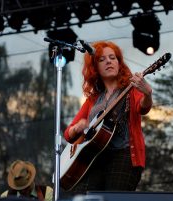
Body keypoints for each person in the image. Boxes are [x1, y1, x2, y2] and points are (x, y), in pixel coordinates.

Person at [63, 41, 153, 194]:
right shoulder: (93, 100)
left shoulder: (131, 89)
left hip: (124, 156)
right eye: (102, 59)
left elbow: (143, 108)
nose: (109, 61)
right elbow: (68, 135)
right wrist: (77, 127)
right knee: (85, 196)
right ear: (95, 68)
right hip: (94, 158)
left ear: (119, 63)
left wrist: (147, 94)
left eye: (113, 57)